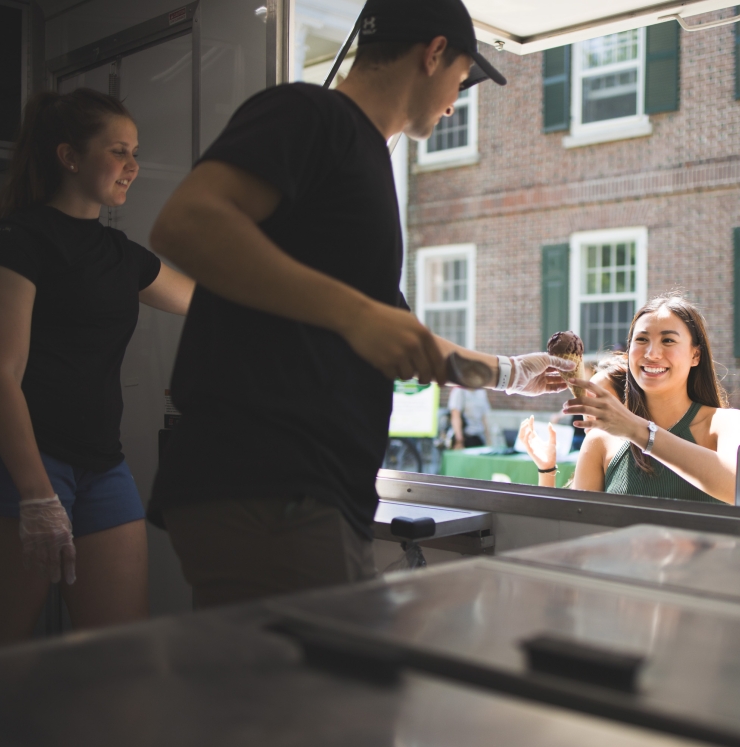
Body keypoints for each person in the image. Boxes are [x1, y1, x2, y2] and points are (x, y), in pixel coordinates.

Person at [146, 0, 572, 608]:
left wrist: (512, 373)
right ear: (432, 54)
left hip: (318, 489)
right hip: (269, 479)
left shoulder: (368, 163)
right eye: (460, 77)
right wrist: (353, 313)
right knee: (298, 696)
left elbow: (400, 337)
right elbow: (185, 223)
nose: (456, 99)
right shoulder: (308, 113)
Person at [0, 89, 194, 651]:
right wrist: (37, 495)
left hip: (101, 466)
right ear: (69, 156)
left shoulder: (119, 254)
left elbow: (207, 300)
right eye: (118, 152)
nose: (133, 166)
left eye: (135, 152)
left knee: (122, 655)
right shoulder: (17, 242)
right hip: (14, 462)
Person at [519, 295, 740, 504]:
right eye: (641, 340)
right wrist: (547, 470)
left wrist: (636, 429)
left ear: (695, 355)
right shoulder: (600, 442)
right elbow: (572, 533)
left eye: (668, 340)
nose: (652, 353)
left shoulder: (728, 424)